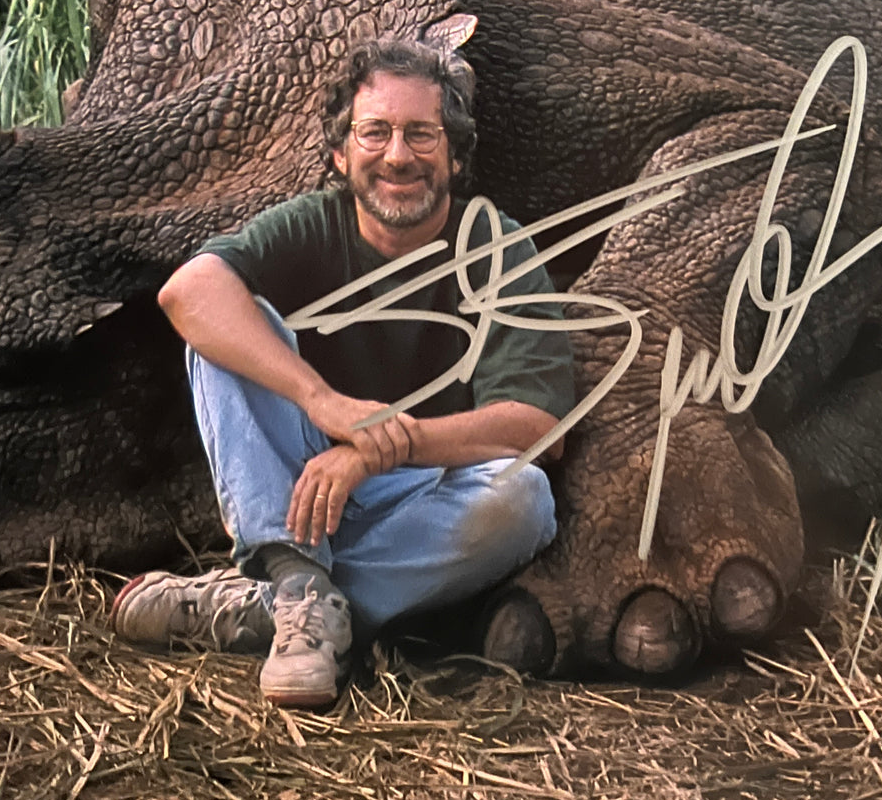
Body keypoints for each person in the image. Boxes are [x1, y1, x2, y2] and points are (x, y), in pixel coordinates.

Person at [111, 36, 575, 707]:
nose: (397, 155)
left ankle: (270, 608)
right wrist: (322, 401)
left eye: (422, 133)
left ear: (455, 154)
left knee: (526, 499)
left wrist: (380, 448)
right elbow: (188, 291)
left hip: (421, 503)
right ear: (340, 152)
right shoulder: (312, 224)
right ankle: (300, 581)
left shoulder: (496, 245)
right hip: (302, 493)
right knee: (225, 329)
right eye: (375, 132)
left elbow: (539, 427)